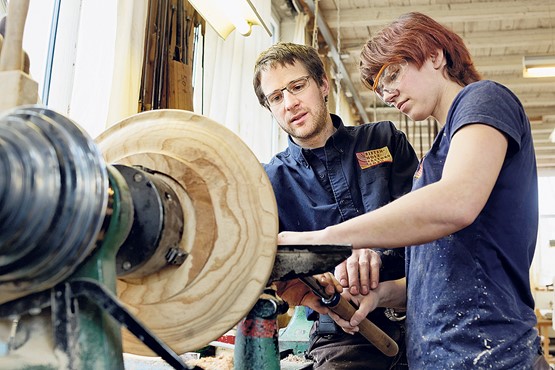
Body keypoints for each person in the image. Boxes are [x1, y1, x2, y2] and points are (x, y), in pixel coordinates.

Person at [277, 12, 551, 370]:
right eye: (379, 87)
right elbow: (438, 273)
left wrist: (324, 239)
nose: (387, 92)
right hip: (440, 359)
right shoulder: (433, 162)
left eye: (392, 74)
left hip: (494, 355)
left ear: (435, 55)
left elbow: (456, 203)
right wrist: (380, 295)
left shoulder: (484, 99)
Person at [253, 42, 418, 369]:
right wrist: (307, 293)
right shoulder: (269, 182)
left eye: (297, 87)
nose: (290, 103)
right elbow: (272, 269)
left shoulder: (383, 141)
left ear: (323, 85)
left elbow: (424, 225)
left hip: (421, 313)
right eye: (276, 97)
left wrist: (375, 252)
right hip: (344, 334)